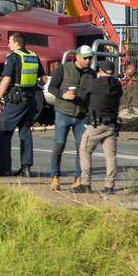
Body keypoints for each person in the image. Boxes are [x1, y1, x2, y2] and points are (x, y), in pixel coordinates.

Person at [0, 32, 46, 177]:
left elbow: (6, 79)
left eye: (10, 42)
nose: (8, 44)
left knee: (4, 131)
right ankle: (26, 168)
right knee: (25, 131)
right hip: (31, 100)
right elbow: (43, 80)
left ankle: (4, 169)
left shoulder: (13, 57)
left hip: (15, 100)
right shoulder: (33, 55)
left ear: (17, 43)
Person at [46, 45, 94, 190]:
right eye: (86, 58)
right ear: (78, 57)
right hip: (63, 113)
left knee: (82, 148)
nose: (88, 60)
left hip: (81, 115)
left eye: (90, 58)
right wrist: (63, 95)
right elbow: (51, 87)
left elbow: (92, 94)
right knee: (59, 144)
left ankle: (77, 178)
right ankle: (55, 177)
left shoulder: (91, 73)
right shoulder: (64, 68)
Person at [77, 59, 123, 194]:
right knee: (110, 156)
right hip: (111, 125)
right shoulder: (117, 85)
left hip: (96, 125)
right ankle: (109, 186)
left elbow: (84, 98)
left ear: (100, 71)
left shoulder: (94, 84)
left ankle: (85, 183)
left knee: (84, 151)